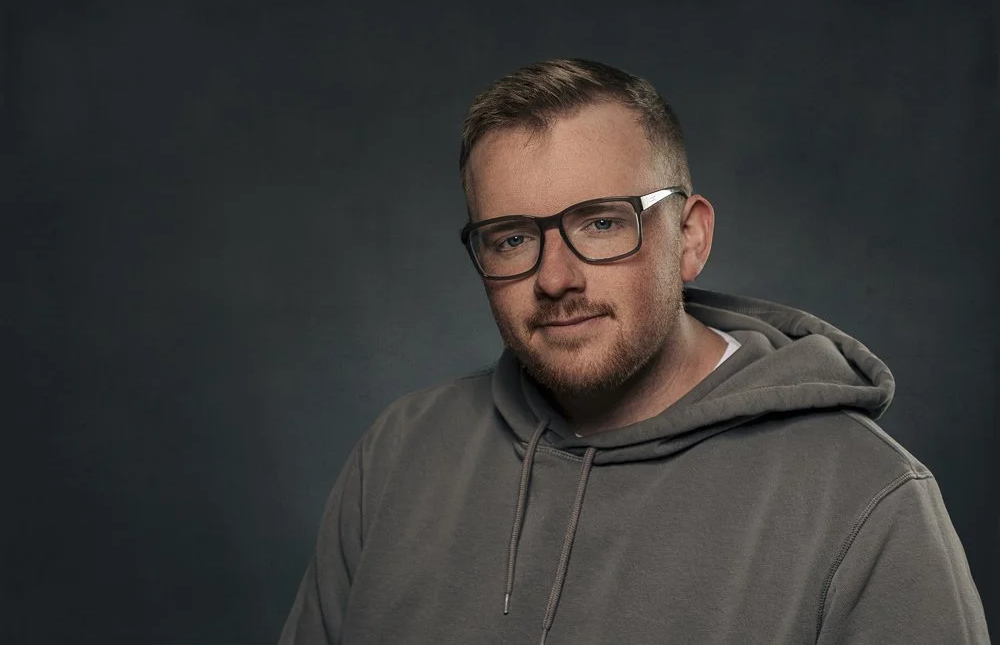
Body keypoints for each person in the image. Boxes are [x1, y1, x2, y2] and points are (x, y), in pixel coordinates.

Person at [279, 58, 989, 644]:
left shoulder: (867, 500)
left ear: (690, 238)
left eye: (601, 221)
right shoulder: (399, 454)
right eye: (513, 238)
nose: (556, 278)